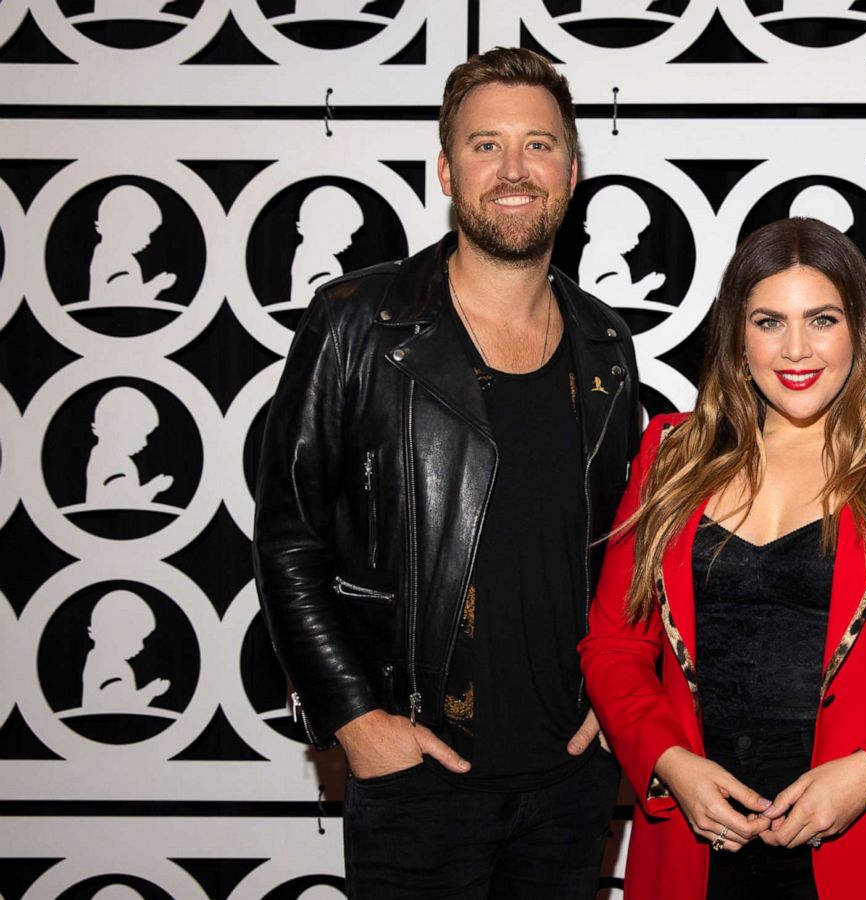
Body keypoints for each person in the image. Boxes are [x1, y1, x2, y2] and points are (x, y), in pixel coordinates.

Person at [252, 47, 640, 898]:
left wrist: (620, 698)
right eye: (484, 145)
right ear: (444, 169)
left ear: (572, 172)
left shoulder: (606, 343)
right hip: (418, 777)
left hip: (571, 778)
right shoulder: (359, 324)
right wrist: (353, 719)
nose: (513, 170)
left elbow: (627, 547)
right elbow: (287, 541)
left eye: (537, 145)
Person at [580, 217, 866, 900]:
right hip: (698, 845)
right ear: (737, 334)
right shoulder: (671, 454)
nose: (796, 349)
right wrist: (670, 764)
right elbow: (613, 646)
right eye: (769, 322)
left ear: (859, 326)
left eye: (821, 319)